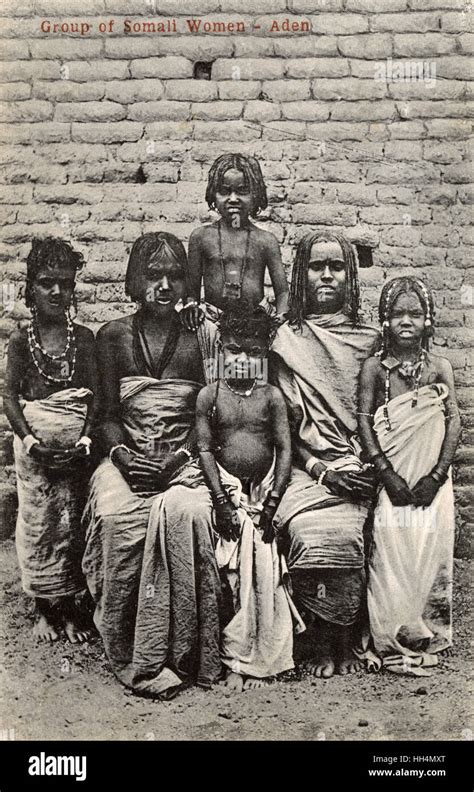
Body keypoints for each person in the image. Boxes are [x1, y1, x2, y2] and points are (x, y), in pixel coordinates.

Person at [82, 232, 222, 698]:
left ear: (187, 283)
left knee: (191, 515)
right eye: (153, 275)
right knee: (117, 518)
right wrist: (124, 457)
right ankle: (133, 653)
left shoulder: (199, 338)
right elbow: (103, 415)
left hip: (184, 456)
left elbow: (212, 414)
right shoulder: (113, 337)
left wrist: (178, 458)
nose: (164, 286)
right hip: (127, 457)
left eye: (174, 276)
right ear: (134, 280)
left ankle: (184, 650)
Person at [271, 231, 379, 678]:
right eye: (317, 267)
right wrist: (322, 472)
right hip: (305, 467)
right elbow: (281, 430)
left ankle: (345, 636)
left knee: (368, 523)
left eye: (337, 266)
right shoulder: (286, 341)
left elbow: (383, 416)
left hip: (361, 463)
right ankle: (319, 637)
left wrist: (370, 465)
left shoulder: (371, 340)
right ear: (301, 275)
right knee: (310, 527)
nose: (328, 275)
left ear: (351, 276)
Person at [192, 303, 304, 692]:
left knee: (263, 565)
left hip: (261, 493)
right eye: (235, 349)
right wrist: (222, 502)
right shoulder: (209, 395)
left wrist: (271, 503)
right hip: (223, 491)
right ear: (221, 347)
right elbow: (205, 450)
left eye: (255, 353)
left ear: (265, 355)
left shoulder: (271, 396)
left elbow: (285, 450)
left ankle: (259, 657)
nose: (243, 359)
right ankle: (227, 656)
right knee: (227, 569)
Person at [358, 276, 461, 673]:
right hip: (394, 478)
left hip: (431, 481)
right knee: (389, 547)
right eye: (397, 313)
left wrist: (436, 476)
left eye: (414, 314)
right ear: (384, 320)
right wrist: (387, 475)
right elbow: (365, 424)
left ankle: (426, 630)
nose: (406, 321)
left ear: (428, 320)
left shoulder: (440, 367)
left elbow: (453, 424)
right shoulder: (374, 369)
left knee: (429, 547)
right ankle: (389, 632)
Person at [4, 237, 98, 644]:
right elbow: (9, 397)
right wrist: (30, 443)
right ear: (30, 290)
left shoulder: (86, 340)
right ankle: (45, 608)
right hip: (36, 455)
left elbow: (96, 399)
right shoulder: (21, 342)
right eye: (46, 283)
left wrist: (84, 443)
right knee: (39, 526)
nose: (56, 292)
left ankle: (73, 608)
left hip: (75, 454)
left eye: (64, 283)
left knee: (72, 524)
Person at [181, 153, 289, 329]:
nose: (233, 199)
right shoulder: (201, 237)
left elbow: (283, 292)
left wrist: (281, 317)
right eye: (224, 191)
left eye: (242, 191)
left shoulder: (266, 240)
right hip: (212, 322)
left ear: (256, 195)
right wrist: (191, 307)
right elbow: (190, 292)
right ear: (213, 195)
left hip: (255, 325)